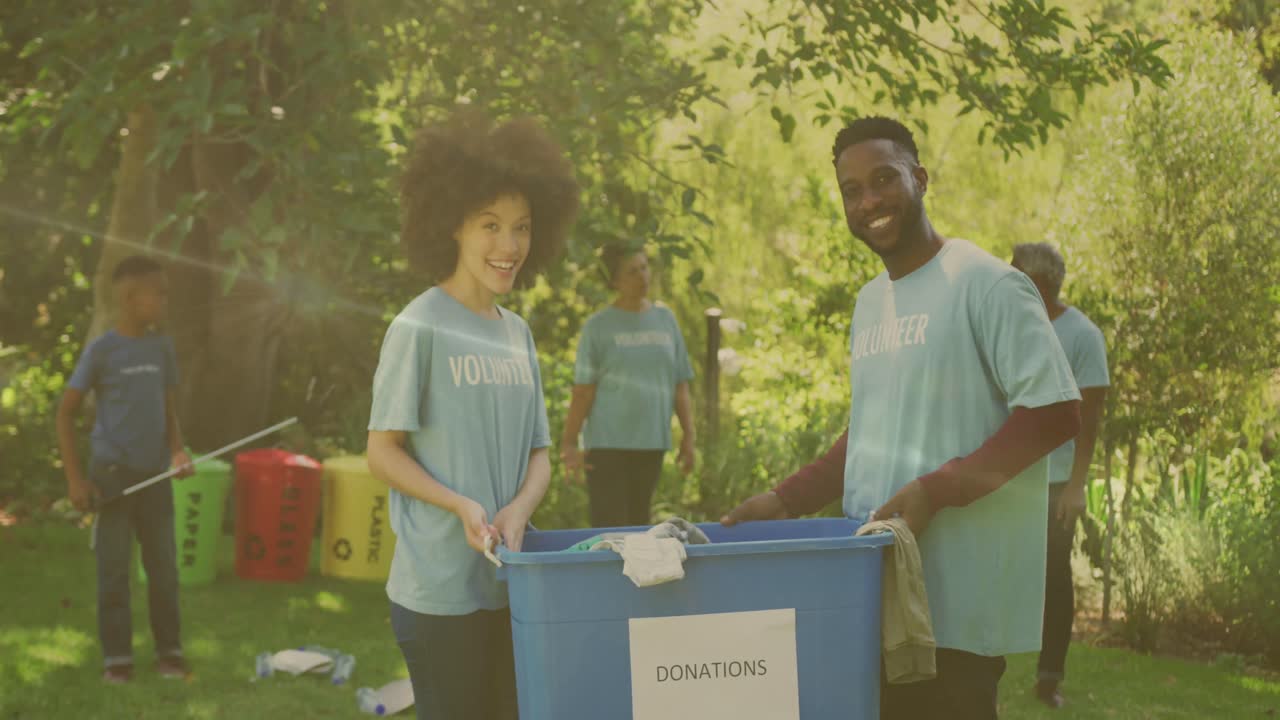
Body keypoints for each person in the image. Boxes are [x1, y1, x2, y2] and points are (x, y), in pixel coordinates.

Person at [719, 117, 1082, 720]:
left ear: (920, 177)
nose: (869, 200)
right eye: (851, 191)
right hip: (876, 590)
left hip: (956, 608)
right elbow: (870, 432)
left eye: (884, 179)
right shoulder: (870, 303)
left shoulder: (988, 284)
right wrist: (786, 500)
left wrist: (936, 491)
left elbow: (1054, 413)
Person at [365, 110, 579, 720]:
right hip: (438, 595)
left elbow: (539, 452)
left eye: (521, 227)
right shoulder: (419, 325)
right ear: (451, 226)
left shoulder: (519, 335)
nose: (509, 246)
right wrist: (459, 505)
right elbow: (382, 451)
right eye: (490, 225)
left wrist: (519, 509)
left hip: (513, 585)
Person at [55, 254, 195, 684]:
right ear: (133, 298)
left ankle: (169, 654)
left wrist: (177, 451)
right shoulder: (102, 351)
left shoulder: (162, 348)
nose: (166, 301)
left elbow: (168, 408)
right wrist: (76, 479)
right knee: (113, 572)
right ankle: (117, 660)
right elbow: (65, 414)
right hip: (111, 476)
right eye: (160, 293)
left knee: (164, 569)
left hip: (154, 476)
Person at [1011, 242, 1110, 709]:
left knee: (1054, 579)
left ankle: (1048, 680)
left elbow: (1090, 420)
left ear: (1041, 285)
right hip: (1008, 475)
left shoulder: (1083, 336)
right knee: (998, 572)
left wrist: (1077, 486)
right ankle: (986, 669)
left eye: (1017, 275)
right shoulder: (1010, 327)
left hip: (1055, 482)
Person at [560, 242, 696, 527]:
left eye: (645, 267)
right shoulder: (598, 327)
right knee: (612, 529)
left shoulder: (665, 319)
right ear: (615, 281)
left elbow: (680, 384)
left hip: (651, 442)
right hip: (607, 445)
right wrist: (569, 443)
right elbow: (583, 391)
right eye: (632, 271)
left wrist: (688, 435)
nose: (642, 276)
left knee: (640, 526)